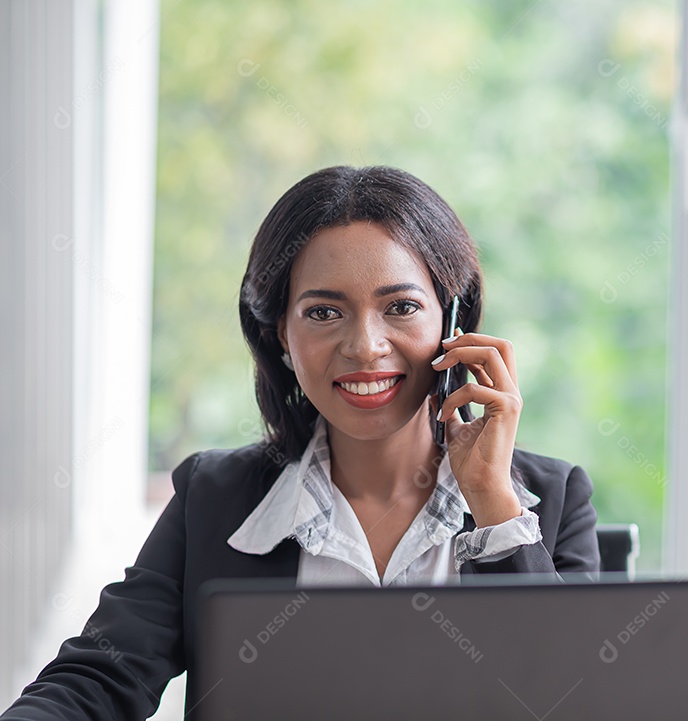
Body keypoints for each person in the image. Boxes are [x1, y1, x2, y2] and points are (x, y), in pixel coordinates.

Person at [1, 165, 600, 720]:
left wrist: (493, 501)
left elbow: (572, 704)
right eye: (323, 313)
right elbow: (99, 679)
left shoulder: (550, 502)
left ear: (453, 322)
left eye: (401, 306)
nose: (365, 346)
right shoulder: (214, 498)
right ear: (280, 336)